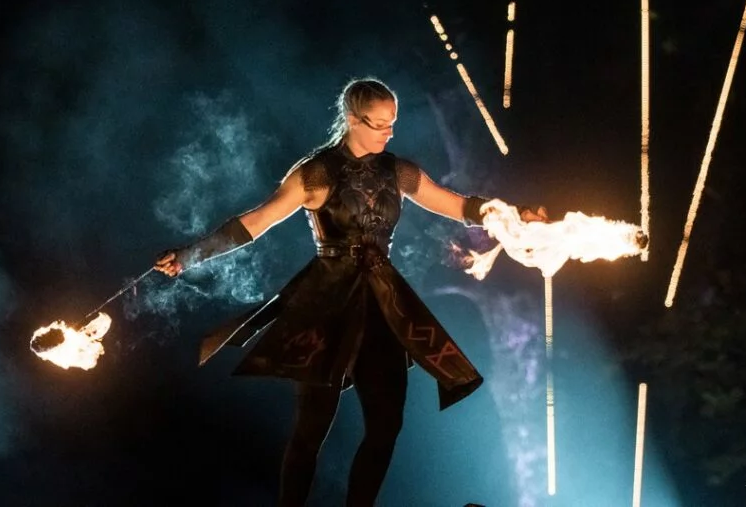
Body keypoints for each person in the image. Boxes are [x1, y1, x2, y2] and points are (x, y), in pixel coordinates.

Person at [154, 77, 546, 507]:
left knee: (386, 425)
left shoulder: (397, 171)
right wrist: (190, 255)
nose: (389, 133)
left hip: (382, 304)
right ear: (352, 119)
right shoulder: (317, 173)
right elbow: (257, 221)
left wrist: (511, 217)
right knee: (311, 429)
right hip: (326, 307)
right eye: (380, 124)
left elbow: (457, 205)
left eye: (393, 123)